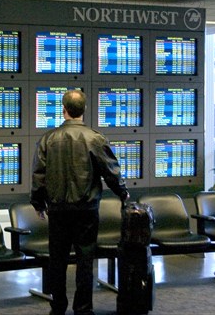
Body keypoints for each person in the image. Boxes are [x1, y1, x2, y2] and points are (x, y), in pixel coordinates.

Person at [31, 89, 129, 315]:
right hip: (86, 209)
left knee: (58, 261)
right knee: (85, 260)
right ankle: (83, 309)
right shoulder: (94, 138)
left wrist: (38, 203)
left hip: (58, 210)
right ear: (84, 110)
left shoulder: (48, 139)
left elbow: (39, 175)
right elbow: (110, 171)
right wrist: (122, 193)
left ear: (63, 110)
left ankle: (58, 307)